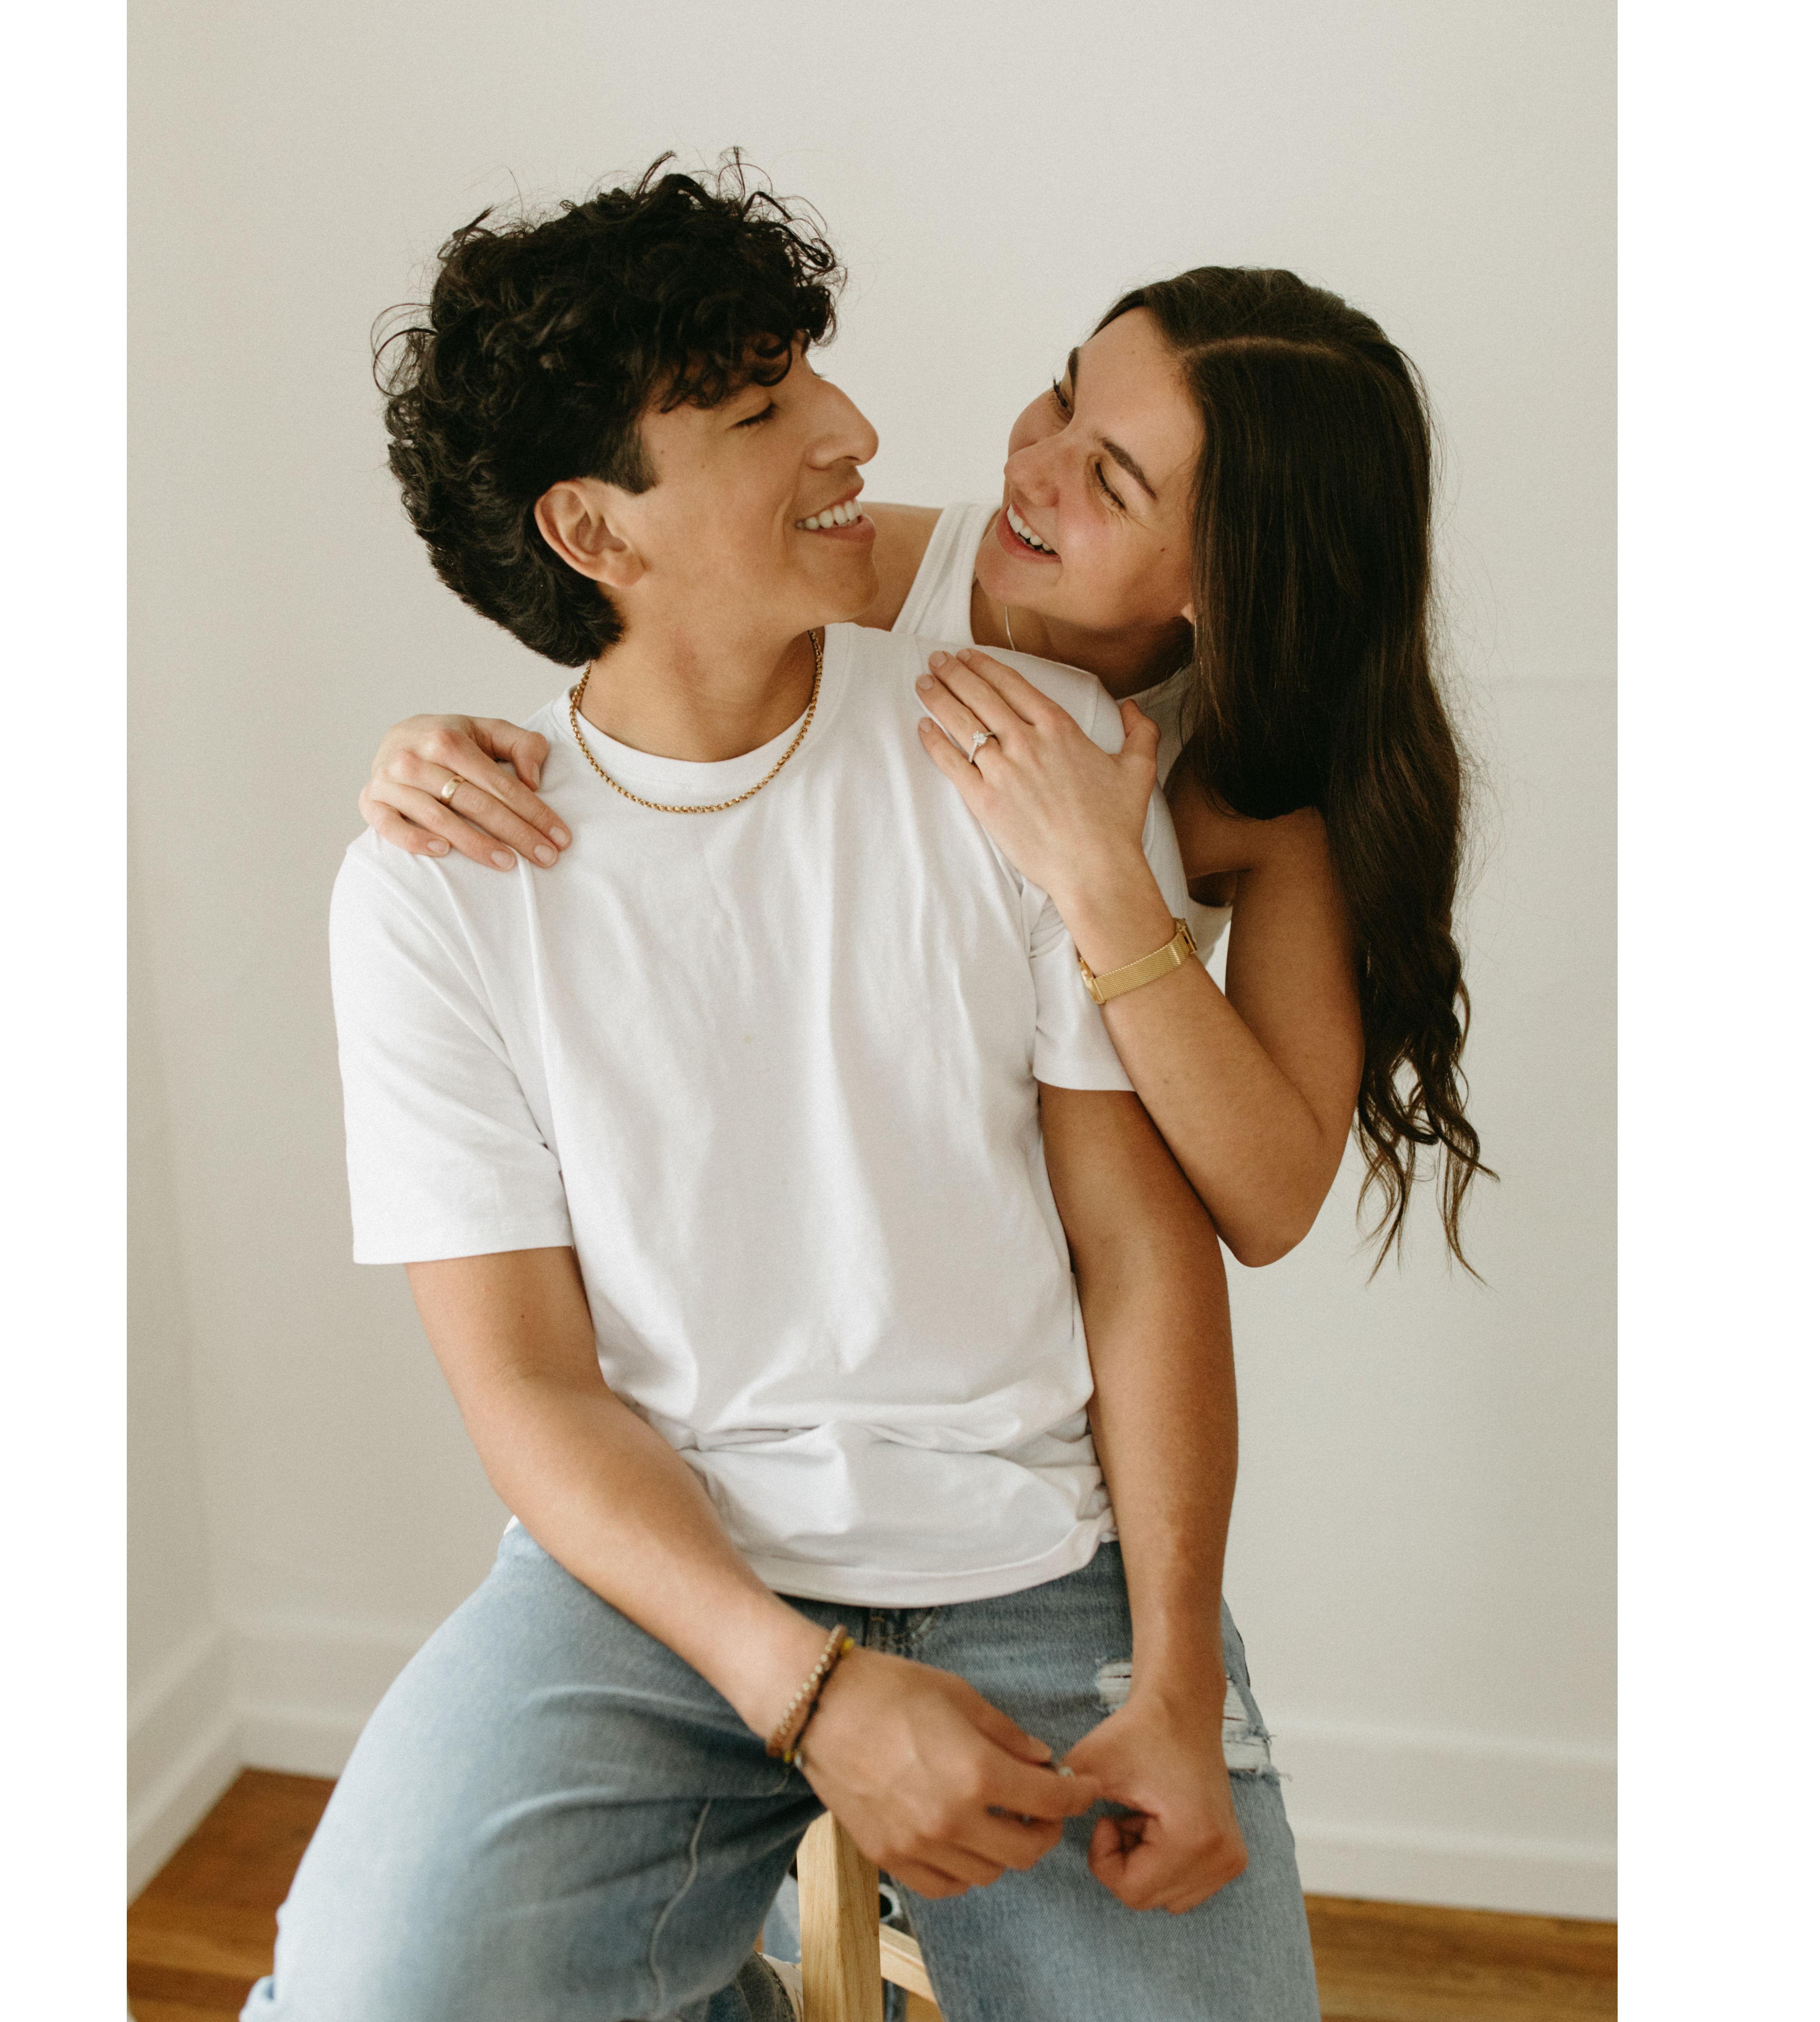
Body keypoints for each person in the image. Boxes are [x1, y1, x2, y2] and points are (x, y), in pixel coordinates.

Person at [241, 159, 1375, 2022]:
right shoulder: (436, 881)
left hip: (1030, 1563)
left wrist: (1171, 1683)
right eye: (766, 409)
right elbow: (529, 1391)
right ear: (593, 530)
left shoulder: (1032, 758)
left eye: (808, 379)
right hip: (663, 1576)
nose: (860, 430)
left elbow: (1164, 1244)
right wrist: (815, 1691)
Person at [357, 260, 1490, 1276]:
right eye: (1062, 398)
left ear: (1231, 583)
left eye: (1111, 483)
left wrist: (1103, 879)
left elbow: (1272, 1203)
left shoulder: (1263, 776)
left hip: (1064, 1297)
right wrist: (426, 751)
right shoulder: (864, 583)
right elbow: (639, 669)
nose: (1031, 471)